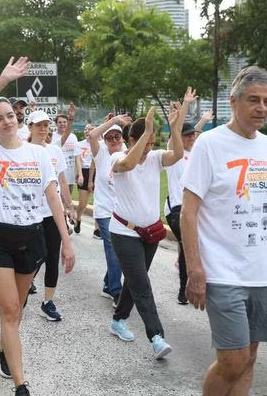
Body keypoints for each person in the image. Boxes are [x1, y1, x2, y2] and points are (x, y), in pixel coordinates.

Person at [0, 56, 75, 396]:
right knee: (11, 309)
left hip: (31, 238)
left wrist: (66, 240)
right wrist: (3, 79)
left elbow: (53, 197)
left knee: (18, 310)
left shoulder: (38, 155)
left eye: (10, 115)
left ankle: (3, 350)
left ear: (18, 118)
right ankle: (21, 385)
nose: (6, 121)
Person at [180, 66, 267, 395]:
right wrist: (194, 268)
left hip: (260, 273)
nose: (262, 108)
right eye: (253, 100)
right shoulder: (209, 144)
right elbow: (189, 211)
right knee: (233, 359)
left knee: (250, 357)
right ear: (234, 101)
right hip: (221, 271)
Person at [109, 88, 191, 359]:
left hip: (150, 232)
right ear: (131, 140)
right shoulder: (117, 157)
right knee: (142, 284)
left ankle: (118, 320)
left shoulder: (155, 157)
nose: (149, 147)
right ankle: (156, 336)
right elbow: (128, 164)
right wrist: (144, 134)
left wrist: (175, 127)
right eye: (145, 142)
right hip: (124, 232)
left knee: (135, 281)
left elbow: (177, 154)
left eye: (152, 142)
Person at [27, 110, 77, 321]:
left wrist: (70, 206)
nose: (43, 129)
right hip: (31, 215)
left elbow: (62, 181)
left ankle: (48, 302)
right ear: (29, 127)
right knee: (33, 257)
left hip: (52, 214)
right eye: (38, 125)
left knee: (52, 257)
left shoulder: (55, 151)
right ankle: (22, 287)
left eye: (46, 125)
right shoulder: (23, 151)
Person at [164, 110, 213, 305]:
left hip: (194, 210)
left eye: (193, 135)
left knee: (193, 246)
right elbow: (175, 134)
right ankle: (183, 289)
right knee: (189, 245)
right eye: (187, 135)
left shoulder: (195, 155)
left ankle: (201, 282)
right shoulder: (173, 154)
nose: (191, 137)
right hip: (176, 209)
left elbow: (195, 134)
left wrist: (203, 121)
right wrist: (184, 108)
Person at [88, 114, 132, 306]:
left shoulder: (128, 152)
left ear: (122, 138)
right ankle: (116, 291)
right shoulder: (101, 154)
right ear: (104, 141)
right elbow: (92, 135)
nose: (114, 140)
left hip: (124, 211)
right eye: (109, 138)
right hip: (105, 211)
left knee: (122, 251)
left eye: (117, 137)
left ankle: (108, 283)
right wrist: (114, 121)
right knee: (113, 249)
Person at [74, 123, 95, 234]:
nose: (88, 130)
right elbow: (78, 160)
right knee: (83, 203)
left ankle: (97, 229)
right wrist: (80, 174)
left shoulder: (99, 144)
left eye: (91, 129)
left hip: (97, 172)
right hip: (84, 171)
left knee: (99, 203)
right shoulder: (79, 144)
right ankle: (78, 218)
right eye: (86, 129)